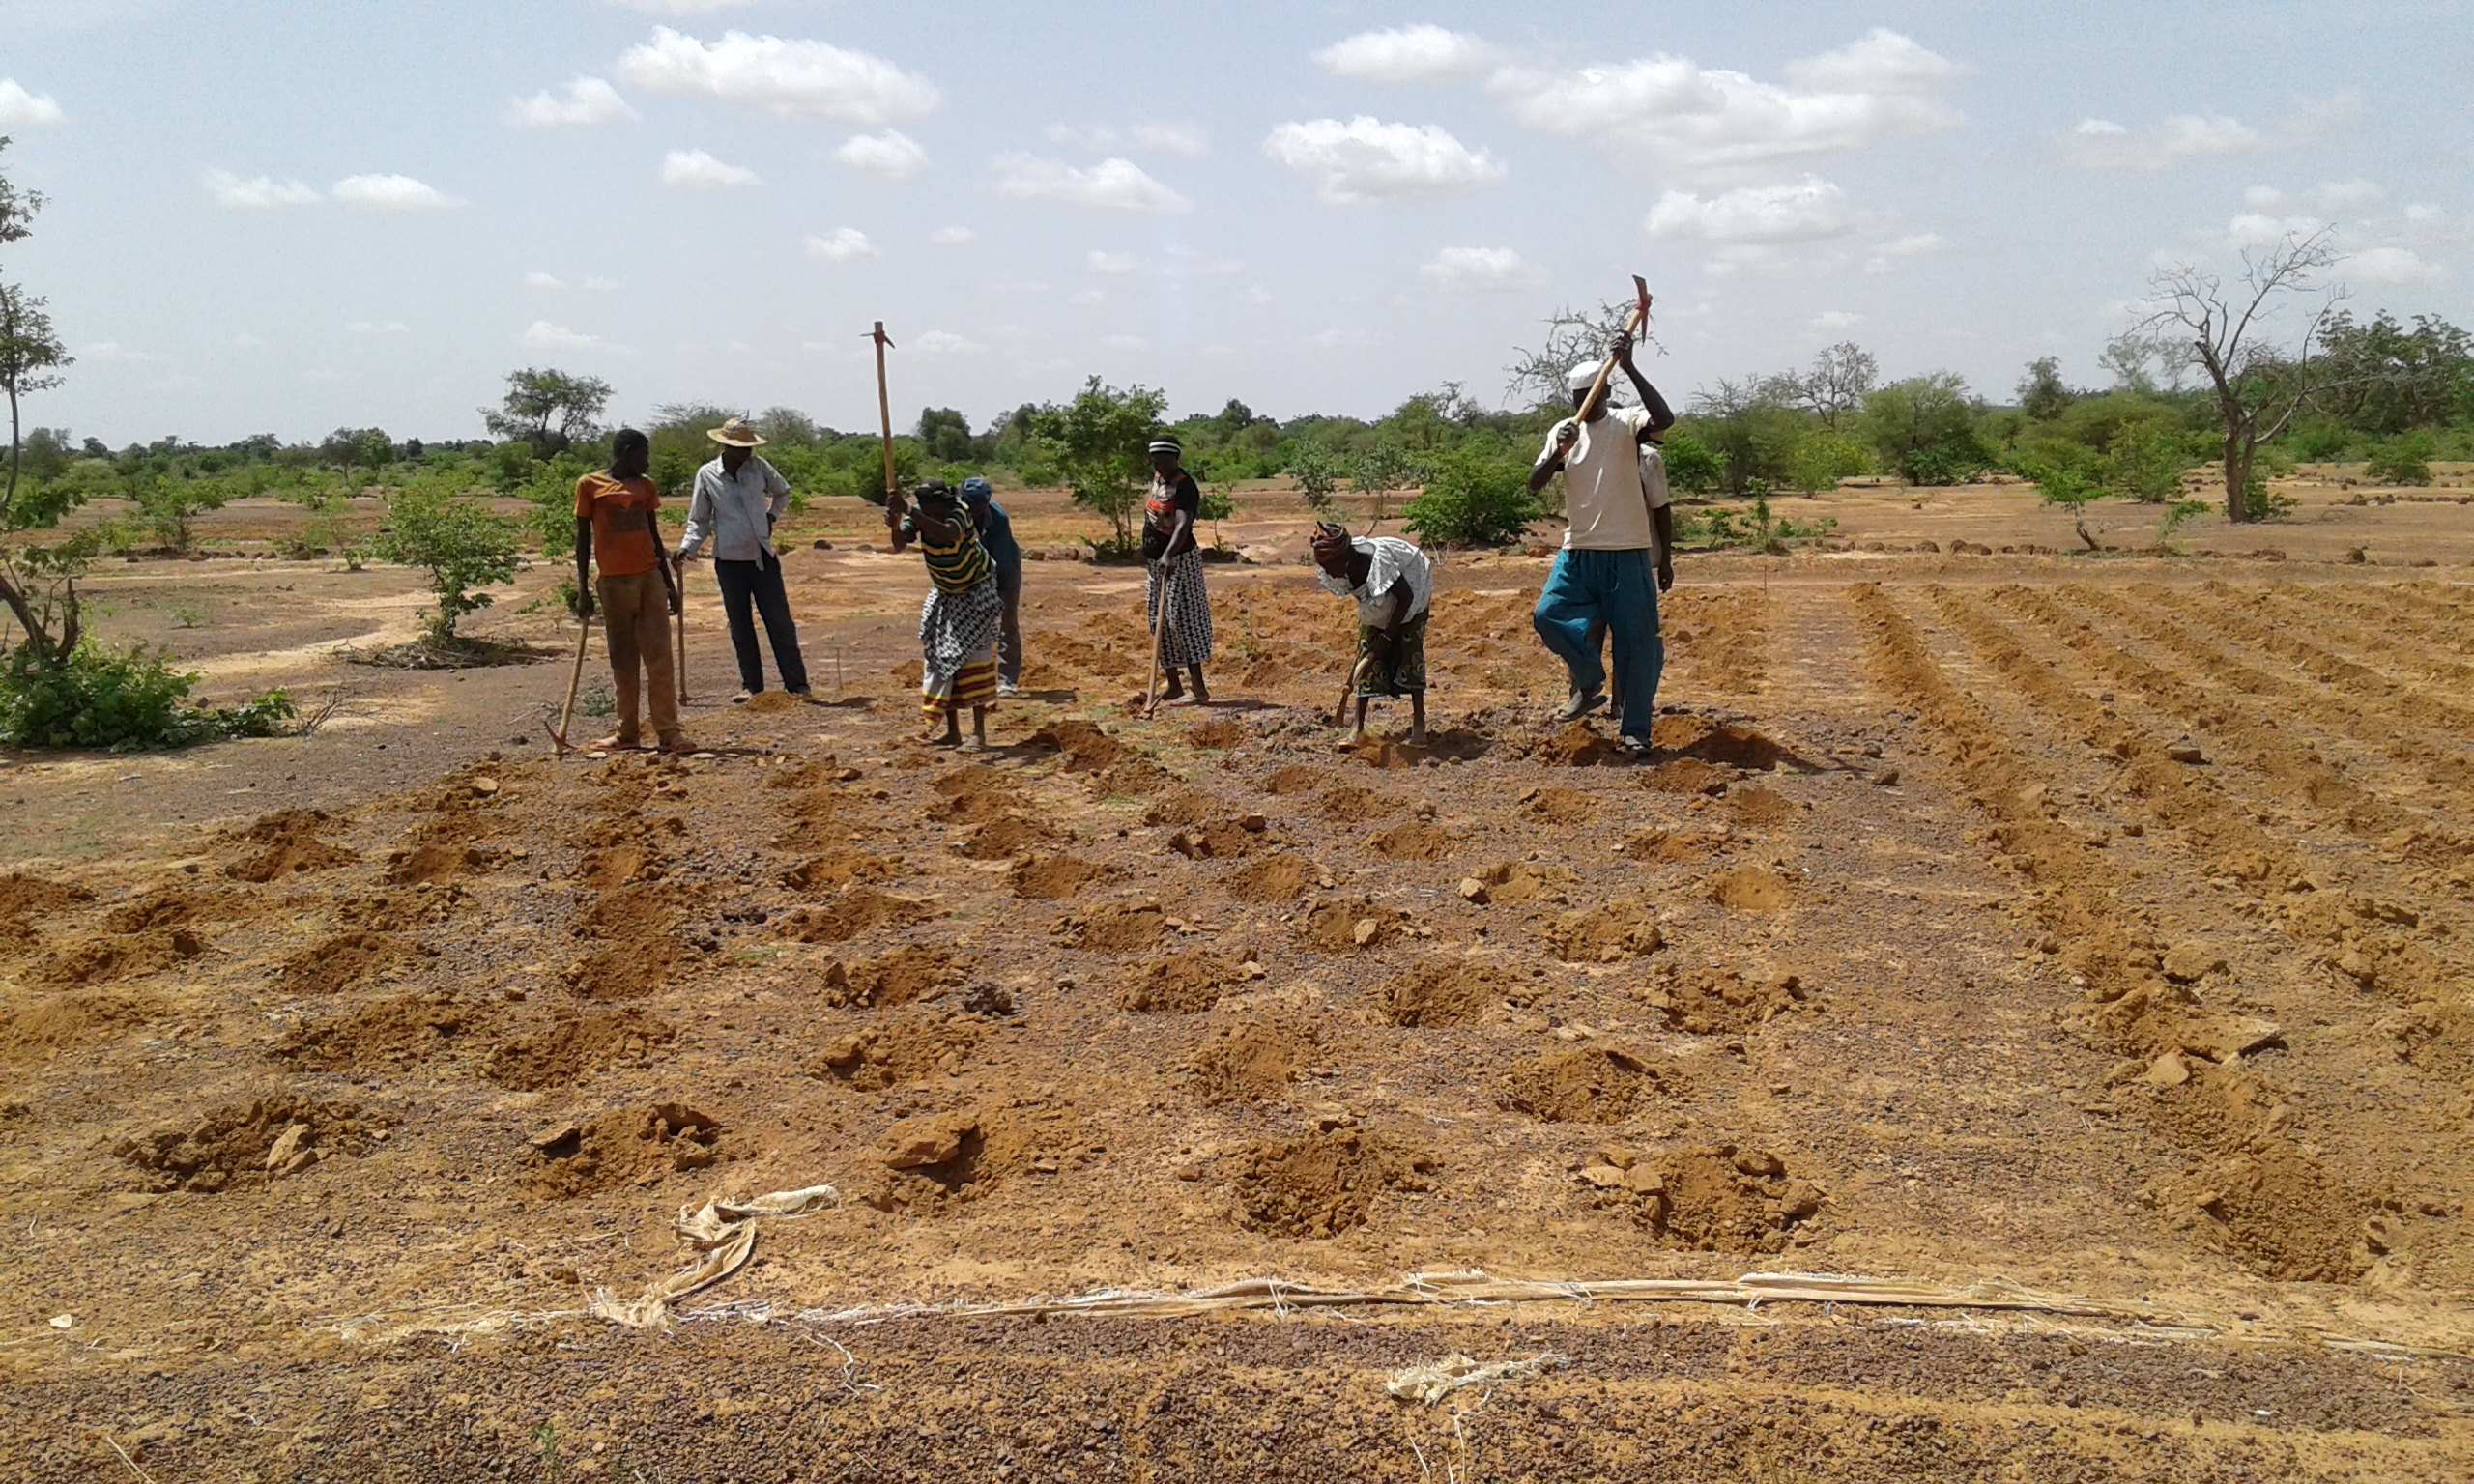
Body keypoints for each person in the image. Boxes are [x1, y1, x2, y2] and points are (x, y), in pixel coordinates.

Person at [1526, 335, 1677, 756]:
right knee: (1548, 616)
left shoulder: (1627, 422)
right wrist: (1558, 451)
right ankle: (1590, 679)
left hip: (1627, 551)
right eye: (1577, 396)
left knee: (1638, 643)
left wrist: (1628, 366)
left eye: (1590, 395)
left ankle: (1635, 731)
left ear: (1606, 392)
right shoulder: (1563, 431)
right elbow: (1535, 483)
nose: (1584, 402)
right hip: (1578, 552)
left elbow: (1666, 417)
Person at [572, 428, 693, 753]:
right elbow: (583, 539)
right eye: (643, 454)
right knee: (623, 661)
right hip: (612, 584)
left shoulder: (646, 487)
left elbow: (654, 537)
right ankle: (627, 733)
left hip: (649, 579)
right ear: (626, 452)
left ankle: (669, 733)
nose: (648, 462)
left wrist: (669, 585)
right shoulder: (589, 485)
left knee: (659, 659)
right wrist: (583, 588)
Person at [677, 415, 810, 703]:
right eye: (740, 447)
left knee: (779, 622)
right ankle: (752, 687)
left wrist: (772, 515)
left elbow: (782, 491)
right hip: (729, 560)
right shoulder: (708, 475)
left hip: (763, 557)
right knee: (740, 625)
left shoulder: (759, 468)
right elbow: (699, 520)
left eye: (748, 447)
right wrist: (687, 548)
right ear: (726, 446)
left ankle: (797, 685)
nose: (746, 452)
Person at [884, 478, 1000, 750]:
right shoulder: (921, 517)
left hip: (976, 593)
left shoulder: (959, 513)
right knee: (942, 659)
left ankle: (979, 734)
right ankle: (953, 732)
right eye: (924, 508)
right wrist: (894, 525)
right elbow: (900, 543)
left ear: (944, 504)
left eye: (931, 508)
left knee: (974, 660)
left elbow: (949, 533)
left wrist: (910, 511)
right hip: (947, 594)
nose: (928, 512)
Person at [1311, 521, 1433, 746]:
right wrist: (1378, 639)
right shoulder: (1340, 565)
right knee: (1366, 650)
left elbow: (1405, 596)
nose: (1328, 573)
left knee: (1409, 646)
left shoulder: (1377, 562)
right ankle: (1357, 728)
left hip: (1413, 589)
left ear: (1344, 558)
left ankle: (1419, 725)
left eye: (1330, 568)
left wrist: (1387, 637)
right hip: (1379, 603)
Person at [1140, 434, 1211, 709]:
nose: (1158, 464)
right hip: (1156, 562)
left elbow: (1182, 526)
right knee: (1158, 621)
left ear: (1175, 459)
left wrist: (1169, 554)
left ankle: (1199, 688)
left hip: (1180, 561)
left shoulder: (1186, 487)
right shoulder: (1159, 481)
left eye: (1164, 459)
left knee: (1183, 620)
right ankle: (1173, 684)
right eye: (1155, 459)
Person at [960, 475, 1024, 695]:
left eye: (980, 505)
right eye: (972, 505)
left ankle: (1007, 680)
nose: (976, 510)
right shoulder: (955, 515)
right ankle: (975, 677)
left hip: (1005, 574)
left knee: (1007, 623)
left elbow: (998, 564)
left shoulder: (999, 520)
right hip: (974, 575)